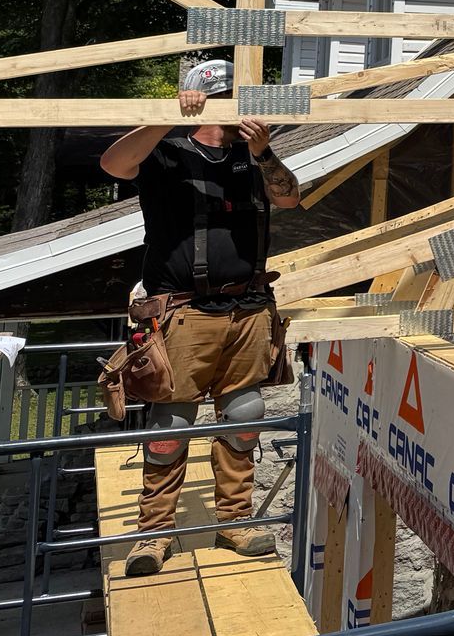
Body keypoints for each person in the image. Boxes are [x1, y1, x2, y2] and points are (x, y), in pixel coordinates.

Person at [97, 59, 302, 576]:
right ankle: (154, 534)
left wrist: (264, 152)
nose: (241, 112)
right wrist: (167, 117)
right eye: (230, 99)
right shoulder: (166, 152)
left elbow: (290, 196)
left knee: (245, 416)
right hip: (182, 313)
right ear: (203, 100)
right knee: (170, 423)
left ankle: (235, 521)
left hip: (249, 309)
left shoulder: (251, 158)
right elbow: (113, 165)